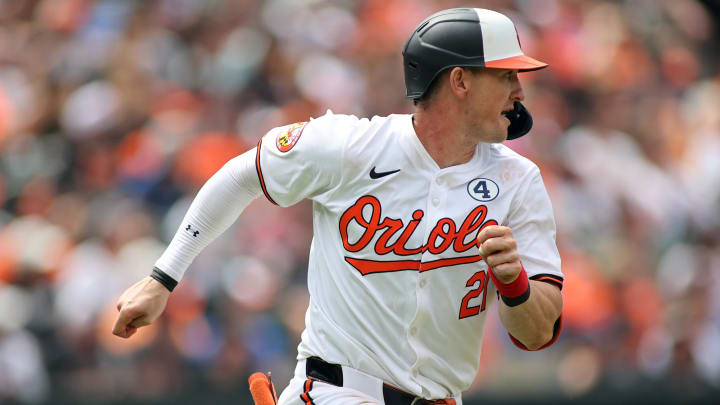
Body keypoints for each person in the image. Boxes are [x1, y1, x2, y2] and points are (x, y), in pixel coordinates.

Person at [112, 8, 563, 405]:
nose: (519, 91)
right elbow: (241, 175)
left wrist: (514, 283)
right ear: (459, 81)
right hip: (338, 390)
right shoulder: (352, 147)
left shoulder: (518, 181)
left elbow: (538, 332)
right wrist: (162, 278)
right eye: (506, 75)